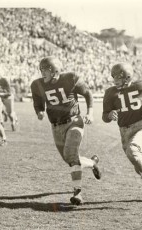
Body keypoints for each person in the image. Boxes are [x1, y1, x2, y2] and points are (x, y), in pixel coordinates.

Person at [30, 56, 101, 206]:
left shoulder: (70, 78)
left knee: (71, 154)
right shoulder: (37, 84)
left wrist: (90, 113)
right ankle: (92, 163)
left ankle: (78, 192)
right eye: (41, 70)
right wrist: (39, 112)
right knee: (69, 159)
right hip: (56, 126)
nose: (42, 73)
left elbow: (87, 93)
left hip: (74, 121)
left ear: (54, 70)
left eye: (45, 70)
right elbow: (37, 104)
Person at [102, 62, 142, 202]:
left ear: (127, 77)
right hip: (124, 132)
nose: (114, 80)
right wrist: (109, 115)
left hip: (141, 127)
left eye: (117, 78)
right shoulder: (110, 92)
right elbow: (104, 116)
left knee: (133, 149)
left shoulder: (141, 86)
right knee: (137, 163)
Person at [0, 64, 19, 131]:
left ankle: (13, 123)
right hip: (0, 98)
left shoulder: (4, 80)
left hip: (8, 97)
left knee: (10, 113)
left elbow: (8, 92)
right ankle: (1, 125)